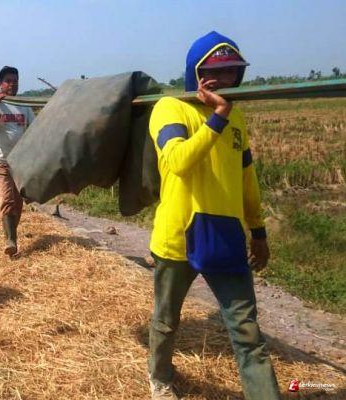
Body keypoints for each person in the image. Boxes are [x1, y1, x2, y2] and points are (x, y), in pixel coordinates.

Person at [146, 31, 280, 399]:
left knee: (248, 333)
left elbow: (246, 179)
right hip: (179, 237)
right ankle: (160, 378)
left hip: (226, 237)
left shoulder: (237, 119)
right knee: (166, 320)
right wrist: (217, 117)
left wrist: (259, 231)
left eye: (231, 72)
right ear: (196, 73)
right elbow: (178, 162)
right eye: (213, 72)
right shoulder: (170, 108)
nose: (223, 80)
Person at [0, 66, 35, 256]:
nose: (12, 85)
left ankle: (12, 233)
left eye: (15, 81)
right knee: (7, 198)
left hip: (18, 162)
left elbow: (33, 129)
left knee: (17, 203)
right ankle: (10, 241)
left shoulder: (24, 105)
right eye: (8, 81)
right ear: (0, 84)